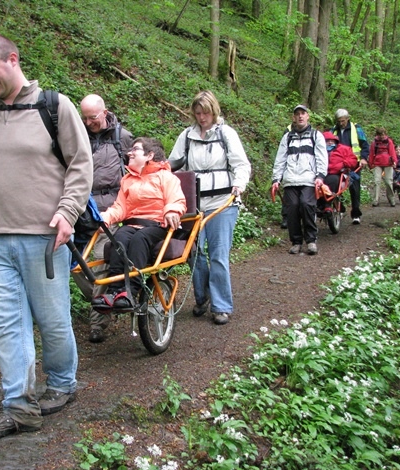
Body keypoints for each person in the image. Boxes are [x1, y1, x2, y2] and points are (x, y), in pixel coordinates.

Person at [0, 34, 93, 441]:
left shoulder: (53, 106)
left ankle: (63, 384)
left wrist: (68, 213)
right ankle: (18, 406)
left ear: (12, 60)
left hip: (44, 239)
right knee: (7, 324)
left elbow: (80, 165)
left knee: (52, 321)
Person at [168, 90, 251, 325]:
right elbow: (174, 163)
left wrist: (239, 183)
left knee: (218, 255)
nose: (202, 117)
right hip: (194, 206)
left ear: (214, 112)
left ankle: (221, 305)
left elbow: (241, 164)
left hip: (222, 204)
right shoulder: (186, 136)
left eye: (205, 113)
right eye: (198, 113)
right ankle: (202, 297)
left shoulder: (226, 134)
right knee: (195, 255)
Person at [91, 137, 186, 310]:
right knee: (118, 237)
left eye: (135, 149)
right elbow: (120, 207)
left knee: (140, 238)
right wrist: (106, 217)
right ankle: (114, 291)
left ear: (149, 155)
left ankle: (131, 291)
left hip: (157, 225)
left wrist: (172, 210)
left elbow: (176, 199)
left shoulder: (165, 177)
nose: (130, 153)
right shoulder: (127, 180)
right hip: (132, 224)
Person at [76, 94, 134, 344]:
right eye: (85, 118)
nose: (89, 123)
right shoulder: (77, 135)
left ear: (105, 112)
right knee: (75, 266)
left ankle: (98, 321)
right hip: (80, 210)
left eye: (93, 118)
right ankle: (105, 298)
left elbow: (136, 171)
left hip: (110, 213)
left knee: (99, 264)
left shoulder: (122, 137)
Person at [271, 105, 327, 256]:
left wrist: (320, 176)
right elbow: (280, 159)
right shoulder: (287, 137)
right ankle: (296, 242)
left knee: (307, 204)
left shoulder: (316, 136)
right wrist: (276, 179)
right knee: (292, 209)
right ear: (293, 118)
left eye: (303, 113)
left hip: (309, 180)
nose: (300, 116)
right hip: (290, 180)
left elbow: (322, 157)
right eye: (297, 114)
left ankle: (311, 240)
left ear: (308, 116)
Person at [330, 109, 370, 225]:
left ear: (347, 119)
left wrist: (363, 158)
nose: (341, 123)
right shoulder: (334, 130)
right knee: (337, 187)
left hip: (354, 163)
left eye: (342, 121)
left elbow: (365, 145)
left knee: (354, 188)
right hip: (338, 164)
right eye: (339, 121)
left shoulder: (356, 129)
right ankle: (340, 209)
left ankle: (356, 214)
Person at [320, 131, 358, 212]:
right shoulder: (319, 150)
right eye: (327, 141)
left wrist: (344, 164)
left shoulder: (343, 149)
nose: (330, 143)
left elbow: (353, 160)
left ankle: (328, 204)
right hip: (321, 173)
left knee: (332, 180)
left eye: (332, 141)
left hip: (336, 174)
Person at [367, 127, 397, 207]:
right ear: (378, 135)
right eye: (381, 135)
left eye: (383, 134)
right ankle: (376, 200)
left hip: (388, 163)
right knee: (377, 181)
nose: (382, 136)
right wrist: (370, 164)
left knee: (388, 181)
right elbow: (371, 153)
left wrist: (394, 161)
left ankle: (391, 199)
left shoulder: (389, 142)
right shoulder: (375, 143)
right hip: (377, 163)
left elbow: (392, 152)